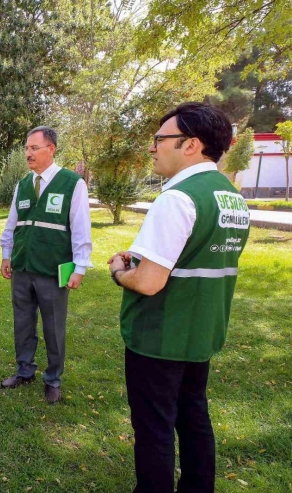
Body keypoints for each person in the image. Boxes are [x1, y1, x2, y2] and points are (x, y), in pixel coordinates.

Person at [107, 102, 249, 493]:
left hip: (160, 335)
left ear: (191, 145)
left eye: (160, 139)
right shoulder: (230, 196)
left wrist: (120, 271)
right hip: (200, 331)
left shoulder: (177, 198)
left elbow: (150, 282)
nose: (153, 148)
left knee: (154, 429)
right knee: (193, 416)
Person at [0, 126, 93, 404]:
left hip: (53, 270)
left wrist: (80, 267)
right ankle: (24, 371)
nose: (28, 153)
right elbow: (12, 223)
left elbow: (81, 228)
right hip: (22, 268)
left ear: (50, 149)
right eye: (26, 148)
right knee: (23, 323)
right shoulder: (23, 184)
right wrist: (7, 254)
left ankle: (53, 379)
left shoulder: (72, 183)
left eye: (33, 148)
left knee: (54, 326)